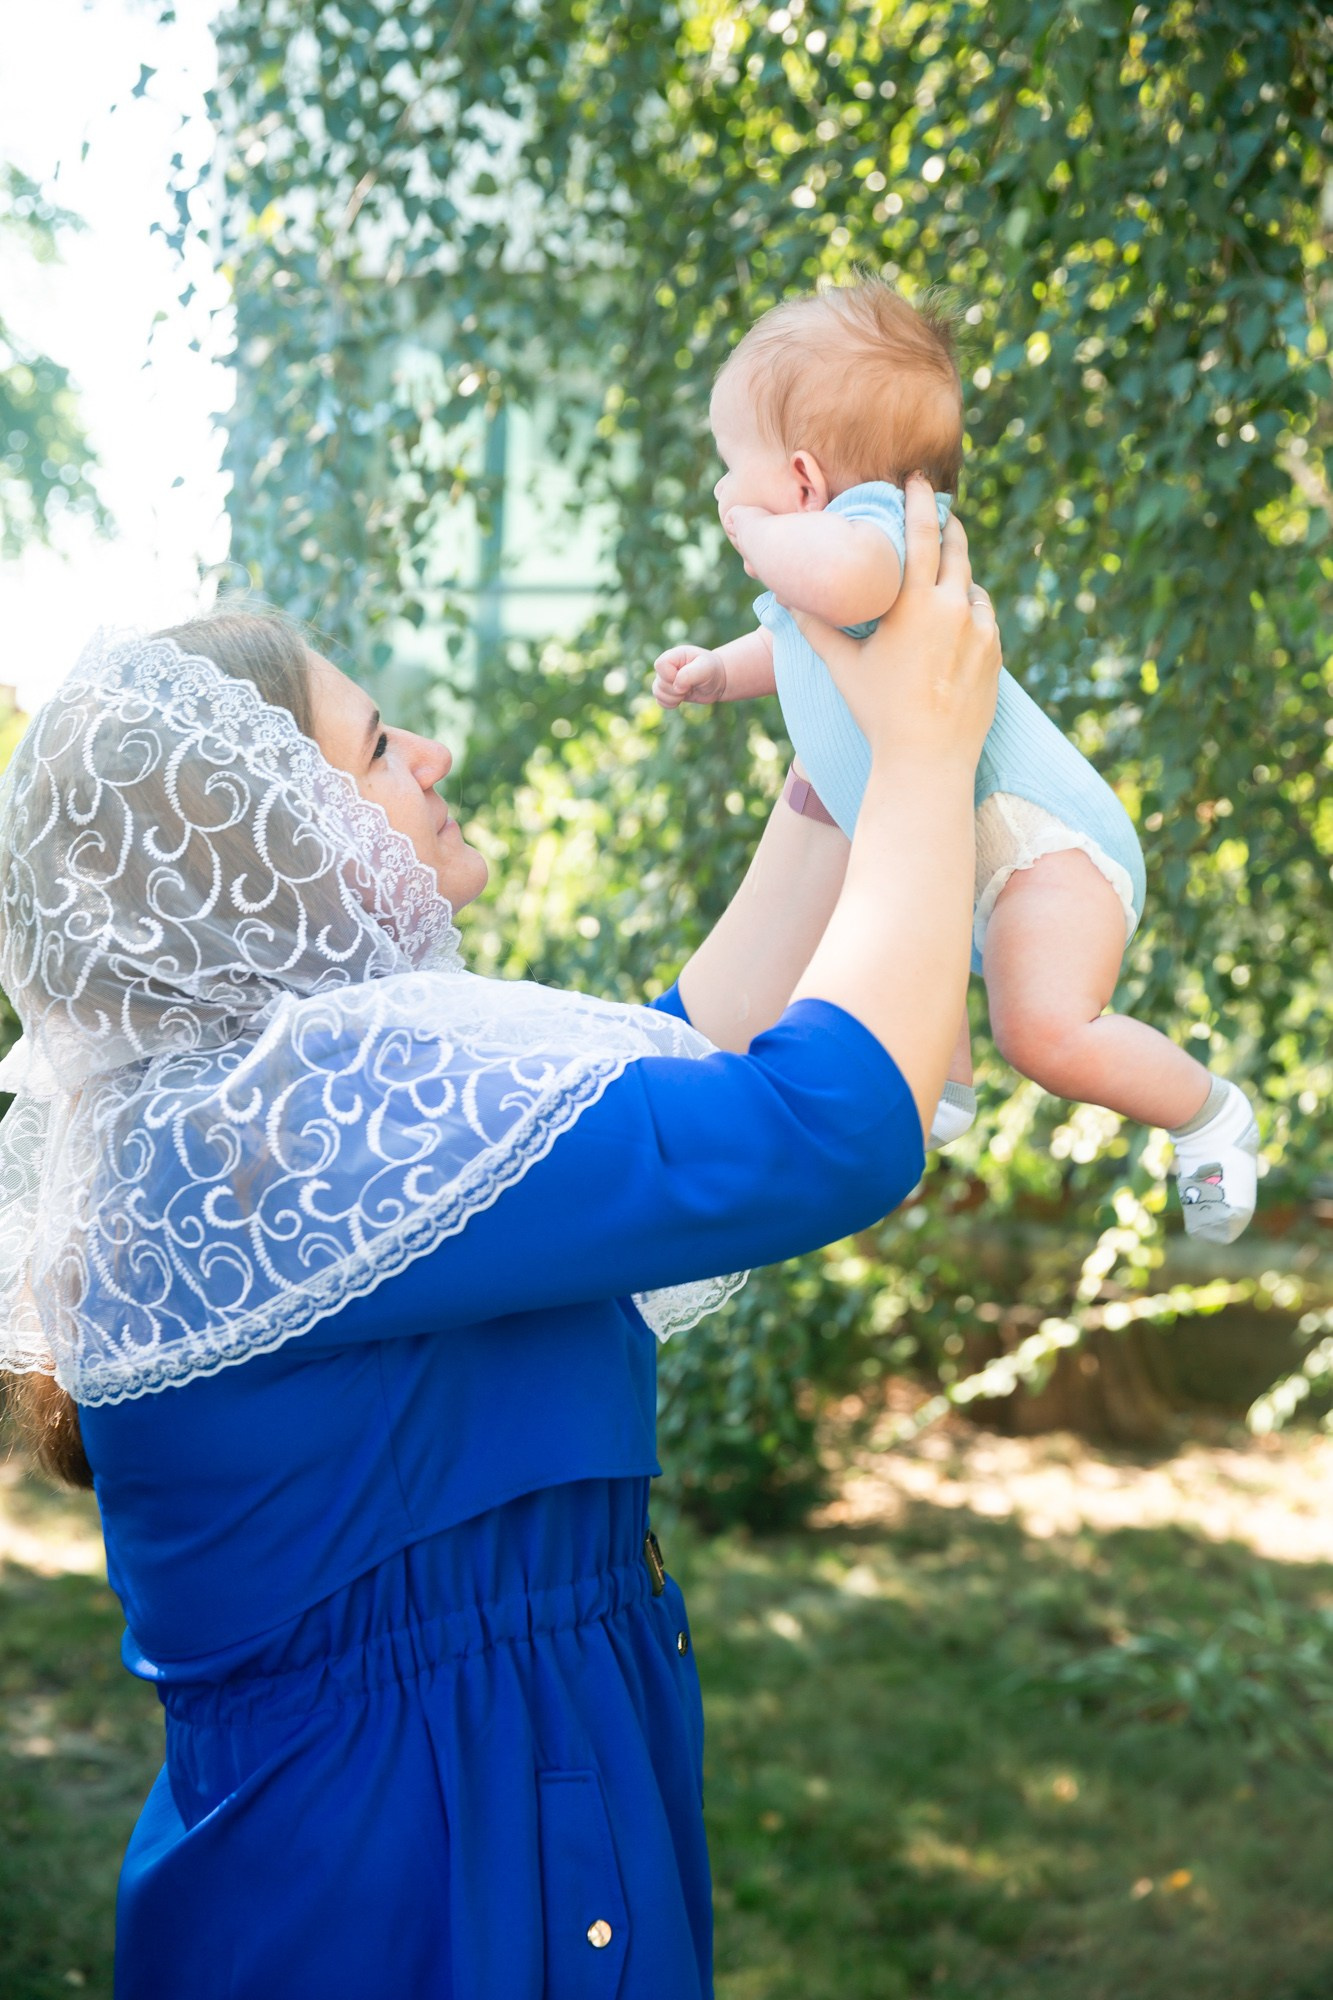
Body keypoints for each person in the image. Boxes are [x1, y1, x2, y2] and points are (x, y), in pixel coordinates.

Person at [0, 486, 997, 2000]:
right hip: (414, 1868)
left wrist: (833, 775)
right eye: (380, 746)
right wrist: (926, 763)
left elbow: (670, 1065)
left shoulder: (265, 1115)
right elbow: (818, 1129)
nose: (433, 757)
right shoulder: (293, 1120)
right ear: (273, 836)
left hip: (413, 1820)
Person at [652, 276, 1260, 1244]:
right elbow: (792, 638)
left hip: (1041, 848)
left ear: (803, 480)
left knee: (1047, 1033)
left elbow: (841, 577)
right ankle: (942, 1078)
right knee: (903, 924)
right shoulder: (824, 574)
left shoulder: (880, 530)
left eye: (735, 468)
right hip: (961, 854)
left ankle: (1206, 1112)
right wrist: (717, 674)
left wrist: (756, 531)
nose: (724, 492)